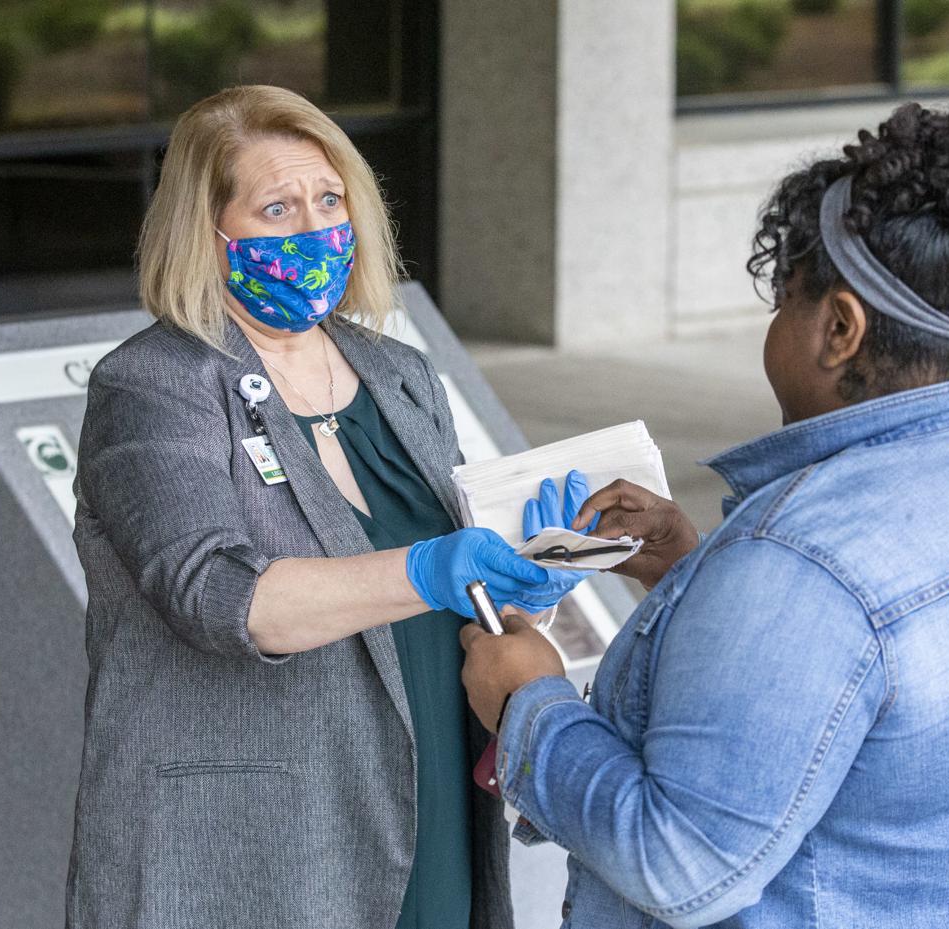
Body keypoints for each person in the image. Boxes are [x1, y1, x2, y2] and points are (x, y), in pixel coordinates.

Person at [461, 101, 949, 928]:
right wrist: (696, 571)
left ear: (840, 329)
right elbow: (883, 695)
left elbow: (681, 864)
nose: (776, 326)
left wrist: (527, 702)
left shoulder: (802, 563)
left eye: (785, 299)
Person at [66, 84, 584, 929]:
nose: (315, 228)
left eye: (330, 198)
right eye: (278, 207)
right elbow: (219, 595)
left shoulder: (399, 375)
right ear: (210, 233)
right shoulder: (155, 384)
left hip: (429, 804)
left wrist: (534, 568)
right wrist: (429, 567)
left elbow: (447, 589)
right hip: (258, 846)